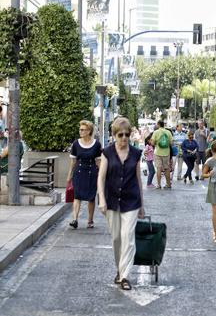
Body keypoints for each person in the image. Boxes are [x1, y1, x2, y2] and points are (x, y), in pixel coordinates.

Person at [97, 117, 145, 291]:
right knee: (116, 238)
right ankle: (119, 270)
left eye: (127, 134)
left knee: (128, 237)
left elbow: (139, 180)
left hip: (131, 200)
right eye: (120, 135)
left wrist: (142, 204)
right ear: (114, 135)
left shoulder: (136, 154)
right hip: (111, 200)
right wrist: (101, 199)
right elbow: (101, 178)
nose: (124, 138)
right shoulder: (107, 153)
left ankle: (124, 275)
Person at [66, 120, 102, 229]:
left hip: (92, 173)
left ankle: (90, 220)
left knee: (91, 198)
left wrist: (102, 176)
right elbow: (73, 162)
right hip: (79, 172)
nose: (80, 131)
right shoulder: (76, 144)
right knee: (77, 196)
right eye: (80, 129)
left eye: (82, 130)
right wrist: (69, 175)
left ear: (89, 131)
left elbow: (98, 161)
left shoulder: (96, 144)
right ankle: (75, 219)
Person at [150, 120, 173, 189]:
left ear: (158, 125)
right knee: (167, 169)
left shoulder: (156, 132)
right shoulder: (168, 132)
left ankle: (159, 184)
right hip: (166, 153)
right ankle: (168, 184)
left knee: (159, 168)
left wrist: (156, 143)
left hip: (157, 153)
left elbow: (153, 143)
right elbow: (171, 143)